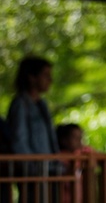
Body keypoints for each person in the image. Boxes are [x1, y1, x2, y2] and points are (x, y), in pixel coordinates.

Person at [7, 57, 59, 202]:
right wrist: (32, 168)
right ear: (31, 77)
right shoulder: (21, 104)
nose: (50, 80)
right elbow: (19, 140)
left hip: (49, 168)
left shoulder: (42, 105)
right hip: (33, 171)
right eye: (45, 75)